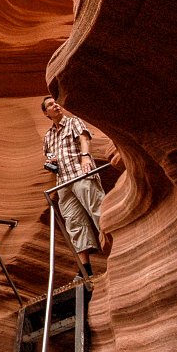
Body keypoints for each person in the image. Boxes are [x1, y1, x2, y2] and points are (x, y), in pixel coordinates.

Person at [41, 95, 111, 281]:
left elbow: (84, 137)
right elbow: (48, 156)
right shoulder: (48, 137)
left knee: (98, 211)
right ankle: (85, 268)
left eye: (55, 102)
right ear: (45, 113)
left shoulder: (73, 122)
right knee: (74, 223)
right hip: (63, 183)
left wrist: (86, 155)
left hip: (81, 174)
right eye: (50, 105)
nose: (55, 105)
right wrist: (51, 161)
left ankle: (118, 250)